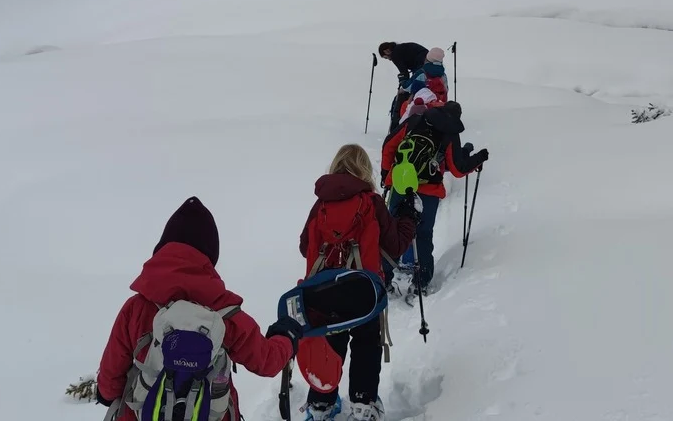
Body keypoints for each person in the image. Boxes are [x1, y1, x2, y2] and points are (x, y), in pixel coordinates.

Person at [97, 197, 302, 421]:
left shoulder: (135, 309)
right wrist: (286, 336)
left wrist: (107, 395)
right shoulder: (226, 315)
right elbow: (267, 362)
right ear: (210, 257)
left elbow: (109, 384)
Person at [298, 145, 420, 421]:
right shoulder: (371, 202)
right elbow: (396, 245)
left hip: (323, 292)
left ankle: (320, 406)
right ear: (365, 169)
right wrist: (409, 218)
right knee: (366, 345)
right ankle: (363, 406)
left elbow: (306, 247)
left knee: (329, 347)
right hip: (364, 291)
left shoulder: (321, 203)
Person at [381, 102, 487, 293]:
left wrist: (386, 174)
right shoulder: (450, 133)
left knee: (393, 231)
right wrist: (478, 158)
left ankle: (384, 278)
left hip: (401, 184)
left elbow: (389, 145)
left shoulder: (416, 120)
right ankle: (421, 282)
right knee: (423, 235)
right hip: (428, 191)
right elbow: (457, 168)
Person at [379, 42, 430, 134]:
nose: (389, 60)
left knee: (416, 85)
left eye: (386, 58)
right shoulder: (401, 49)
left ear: (386, 51)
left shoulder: (395, 54)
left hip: (420, 63)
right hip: (425, 58)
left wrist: (404, 85)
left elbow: (404, 72)